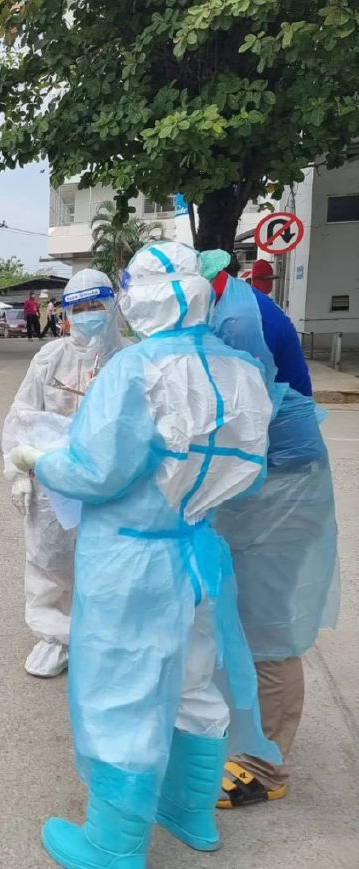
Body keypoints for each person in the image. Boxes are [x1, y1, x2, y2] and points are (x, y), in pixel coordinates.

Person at [10, 241, 280, 866]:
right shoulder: (238, 368)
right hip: (198, 551)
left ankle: (112, 845)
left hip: (129, 560)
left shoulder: (136, 370)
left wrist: (39, 460)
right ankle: (190, 812)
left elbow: (95, 470)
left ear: (139, 298)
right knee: (194, 680)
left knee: (122, 692)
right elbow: (249, 468)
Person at [201, 250, 341, 810]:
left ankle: (266, 767)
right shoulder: (224, 306)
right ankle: (243, 740)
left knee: (267, 629)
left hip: (281, 485)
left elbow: (237, 415)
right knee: (239, 619)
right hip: (261, 481)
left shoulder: (235, 320)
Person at [1, 269, 128, 678]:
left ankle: (101, 640)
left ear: (113, 307)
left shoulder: (130, 361)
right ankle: (56, 638)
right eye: (81, 308)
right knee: (49, 559)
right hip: (53, 481)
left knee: (106, 564)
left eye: (97, 306)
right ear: (67, 312)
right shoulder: (50, 358)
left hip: (110, 481)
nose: (89, 315)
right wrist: (16, 470)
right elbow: (22, 414)